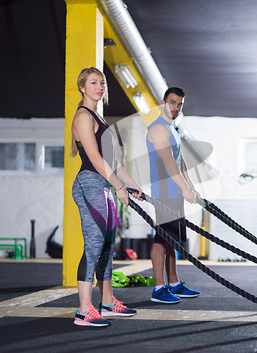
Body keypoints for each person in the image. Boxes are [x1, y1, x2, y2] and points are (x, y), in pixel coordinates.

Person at [71, 66, 142, 327]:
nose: (99, 87)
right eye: (93, 83)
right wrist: (119, 187)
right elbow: (95, 158)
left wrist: (132, 186)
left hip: (104, 186)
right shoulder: (82, 116)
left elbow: (113, 161)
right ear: (82, 87)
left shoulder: (99, 118)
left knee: (107, 247)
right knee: (93, 245)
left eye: (102, 83)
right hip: (89, 184)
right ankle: (83, 311)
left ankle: (108, 303)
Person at [147, 87, 201, 304]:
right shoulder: (159, 129)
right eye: (172, 103)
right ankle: (159, 288)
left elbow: (181, 162)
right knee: (161, 240)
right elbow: (169, 163)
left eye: (179, 104)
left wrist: (191, 187)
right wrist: (185, 189)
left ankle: (174, 283)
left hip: (175, 191)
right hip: (163, 192)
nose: (176, 108)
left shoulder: (172, 128)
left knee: (172, 241)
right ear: (163, 102)